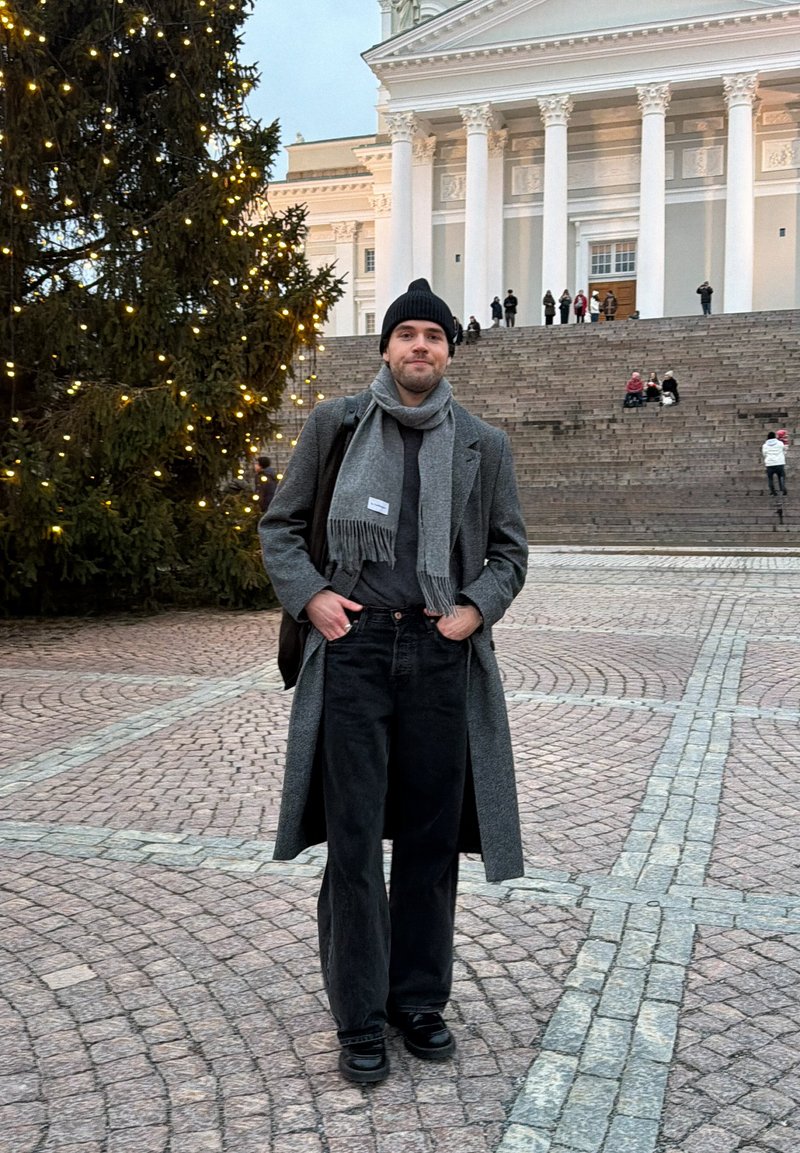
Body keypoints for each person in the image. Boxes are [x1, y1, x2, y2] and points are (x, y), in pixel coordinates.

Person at [259, 278, 528, 1086]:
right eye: (407, 333)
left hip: (441, 653)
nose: (420, 346)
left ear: (450, 352)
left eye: (433, 336)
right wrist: (312, 597)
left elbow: (509, 552)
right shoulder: (337, 424)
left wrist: (473, 611)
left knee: (429, 840)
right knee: (352, 839)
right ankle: (359, 1015)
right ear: (385, 347)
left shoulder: (483, 442)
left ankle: (418, 1001)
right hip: (356, 649)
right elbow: (281, 527)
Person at [762, 431, 788, 496]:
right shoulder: (780, 443)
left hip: (769, 464)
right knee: (781, 475)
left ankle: (773, 491)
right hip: (779, 462)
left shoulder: (765, 445)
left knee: (770, 478)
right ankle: (782, 487)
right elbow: (784, 450)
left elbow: (764, 454)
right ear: (774, 437)